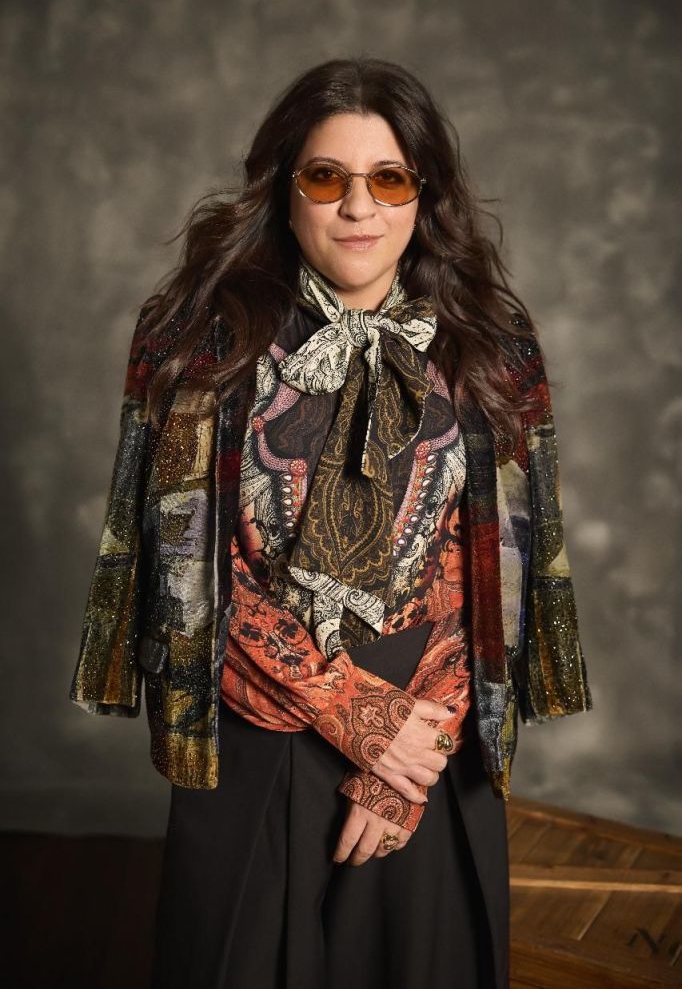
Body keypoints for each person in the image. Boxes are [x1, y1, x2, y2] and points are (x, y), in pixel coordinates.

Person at [68, 57, 592, 989]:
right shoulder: (199, 340)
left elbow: (496, 573)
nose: (359, 207)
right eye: (327, 177)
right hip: (253, 730)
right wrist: (354, 712)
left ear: (424, 195)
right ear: (285, 188)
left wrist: (409, 752)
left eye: (388, 179)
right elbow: (181, 568)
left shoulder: (493, 346)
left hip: (431, 741)